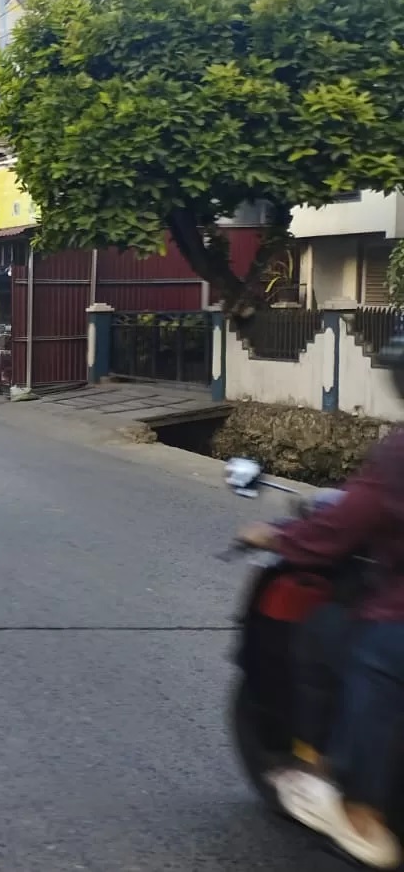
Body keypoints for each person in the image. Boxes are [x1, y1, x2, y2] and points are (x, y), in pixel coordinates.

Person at [243, 328, 404, 869]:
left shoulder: (398, 454)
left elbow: (344, 524)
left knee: (372, 652)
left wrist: (278, 537)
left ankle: (360, 810)